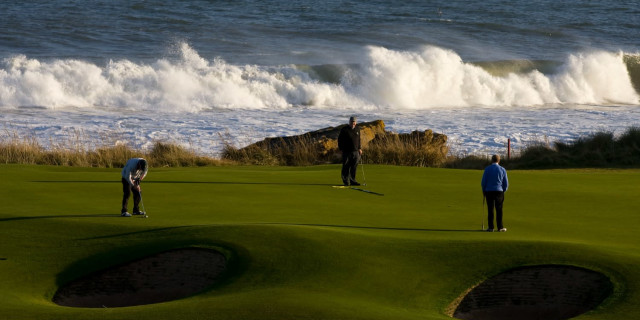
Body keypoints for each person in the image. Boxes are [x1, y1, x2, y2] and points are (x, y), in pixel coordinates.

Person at [481, 154, 508, 232]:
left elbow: (483, 182)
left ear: (491, 160)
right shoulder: (502, 169)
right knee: (499, 209)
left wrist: (484, 190)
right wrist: (504, 190)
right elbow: (506, 183)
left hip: (489, 191)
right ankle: (500, 227)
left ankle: (491, 227)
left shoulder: (487, 169)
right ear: (499, 160)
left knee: (490, 209)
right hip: (499, 191)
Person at [338, 116, 362, 186]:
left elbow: (359, 139)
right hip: (346, 151)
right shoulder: (344, 129)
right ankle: (345, 181)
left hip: (356, 151)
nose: (353, 123)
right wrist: (341, 149)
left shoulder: (357, 129)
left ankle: (353, 181)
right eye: (351, 122)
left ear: (356, 122)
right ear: (349, 122)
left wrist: (359, 148)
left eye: (354, 122)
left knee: (354, 167)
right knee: (346, 166)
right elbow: (340, 140)